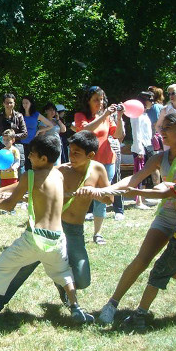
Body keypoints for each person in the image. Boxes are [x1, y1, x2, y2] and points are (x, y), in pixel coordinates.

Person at [0, 134, 94, 332]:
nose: (29, 158)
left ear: (43, 159)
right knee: (63, 273)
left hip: (34, 239)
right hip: (58, 239)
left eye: (32, 155)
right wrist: (1, 192)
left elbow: (9, 206)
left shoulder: (30, 176)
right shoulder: (59, 175)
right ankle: (76, 308)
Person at [0, 130, 113, 322]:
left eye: (77, 153)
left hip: (74, 231)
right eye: (70, 151)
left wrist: (94, 191)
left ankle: (62, 284)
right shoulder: (61, 171)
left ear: (90, 155)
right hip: (48, 229)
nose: (72, 157)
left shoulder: (98, 170)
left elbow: (110, 199)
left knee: (82, 279)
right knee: (21, 269)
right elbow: (27, 183)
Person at [98, 112, 176, 325]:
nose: (162, 133)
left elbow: (169, 188)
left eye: (167, 128)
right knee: (143, 259)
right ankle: (111, 304)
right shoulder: (159, 158)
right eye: (162, 128)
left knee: (175, 262)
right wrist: (106, 190)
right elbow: (133, 180)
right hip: (167, 217)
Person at [120, 148, 176, 330]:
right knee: (173, 268)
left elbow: (163, 195)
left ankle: (140, 315)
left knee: (159, 273)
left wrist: (138, 192)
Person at [74, 86, 124, 245]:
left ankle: (97, 234)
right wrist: (105, 115)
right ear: (88, 101)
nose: (100, 102)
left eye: (102, 99)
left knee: (102, 197)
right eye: (96, 99)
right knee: (81, 196)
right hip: (87, 162)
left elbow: (118, 136)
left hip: (108, 160)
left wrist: (119, 116)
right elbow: (85, 130)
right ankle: (75, 232)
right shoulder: (81, 115)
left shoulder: (108, 117)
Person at [0, 94, 27, 178]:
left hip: (16, 147)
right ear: (3, 103)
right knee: (3, 174)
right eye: (7, 103)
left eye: (11, 103)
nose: (9, 105)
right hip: (2, 148)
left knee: (20, 172)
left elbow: (24, 133)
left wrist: (11, 137)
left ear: (14, 103)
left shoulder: (19, 116)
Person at [130, 92, 153, 210]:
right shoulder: (136, 114)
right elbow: (136, 133)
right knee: (139, 174)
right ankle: (138, 201)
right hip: (140, 148)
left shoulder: (145, 114)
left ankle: (142, 198)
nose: (152, 102)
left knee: (146, 174)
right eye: (150, 99)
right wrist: (139, 150)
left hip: (147, 145)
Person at [19, 96, 52, 172]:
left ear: (31, 103)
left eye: (27, 103)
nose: (25, 105)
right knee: (23, 164)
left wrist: (39, 131)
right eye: (23, 103)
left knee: (33, 163)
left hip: (33, 143)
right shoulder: (19, 115)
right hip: (21, 143)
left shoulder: (36, 114)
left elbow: (50, 125)